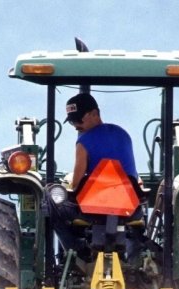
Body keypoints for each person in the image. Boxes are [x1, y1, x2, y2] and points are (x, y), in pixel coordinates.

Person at [44, 93, 141, 261]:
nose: (76, 126)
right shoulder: (124, 135)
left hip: (92, 212)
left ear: (95, 114)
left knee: (49, 196)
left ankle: (75, 251)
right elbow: (132, 174)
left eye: (79, 120)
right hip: (129, 209)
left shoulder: (83, 142)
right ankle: (135, 254)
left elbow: (75, 184)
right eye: (72, 121)